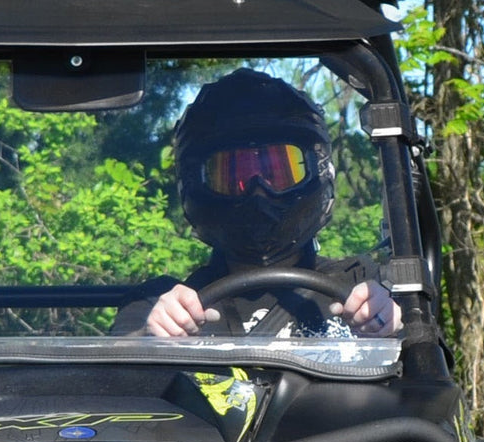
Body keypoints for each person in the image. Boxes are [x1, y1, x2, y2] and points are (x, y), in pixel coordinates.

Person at [114, 68, 403, 339]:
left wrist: (394, 323)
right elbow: (109, 374)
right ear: (195, 183)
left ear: (318, 170)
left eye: (278, 172)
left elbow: (428, 364)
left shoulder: (361, 284)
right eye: (232, 176)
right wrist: (148, 337)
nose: (258, 191)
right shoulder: (164, 305)